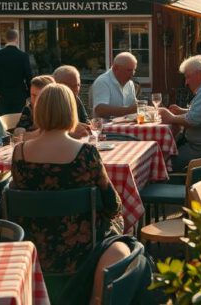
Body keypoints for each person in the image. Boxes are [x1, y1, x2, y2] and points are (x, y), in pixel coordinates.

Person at [8, 84, 127, 305]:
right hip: (82, 253)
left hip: (34, 251)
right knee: (125, 236)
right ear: (70, 111)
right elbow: (113, 205)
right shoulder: (86, 153)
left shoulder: (19, 153)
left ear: (39, 112)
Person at [90, 53, 139, 119]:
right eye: (129, 70)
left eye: (134, 70)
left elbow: (134, 106)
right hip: (105, 128)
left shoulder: (130, 83)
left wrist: (145, 108)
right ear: (115, 68)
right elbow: (100, 110)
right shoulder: (103, 81)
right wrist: (128, 110)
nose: (132, 74)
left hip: (125, 126)